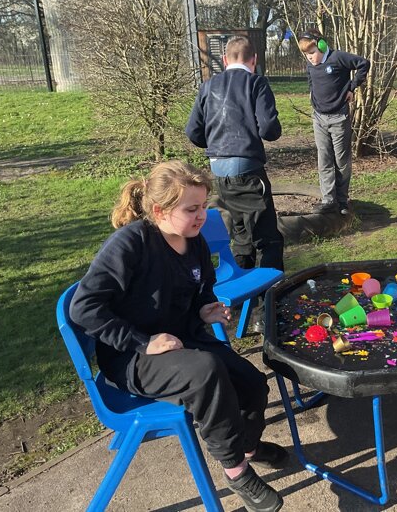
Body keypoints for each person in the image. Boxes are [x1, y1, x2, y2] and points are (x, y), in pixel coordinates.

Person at [69, 161, 287, 512]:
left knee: (251, 382)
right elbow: (83, 308)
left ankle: (248, 446)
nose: (202, 216)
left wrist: (204, 310)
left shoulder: (193, 241)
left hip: (179, 338)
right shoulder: (131, 243)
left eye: (203, 206)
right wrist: (143, 342)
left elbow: (200, 289)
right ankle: (236, 471)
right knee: (206, 372)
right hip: (132, 356)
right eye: (191, 209)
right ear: (160, 211)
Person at [186, 35, 284, 272]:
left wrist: (215, 142)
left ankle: (243, 290)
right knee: (269, 240)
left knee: (241, 237)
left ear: (224, 59)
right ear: (254, 60)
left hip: (220, 171)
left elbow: (193, 131)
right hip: (248, 170)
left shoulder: (208, 86)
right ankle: (271, 294)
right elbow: (269, 129)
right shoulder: (256, 83)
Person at [298, 30, 370, 216]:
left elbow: (364, 64)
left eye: (312, 53)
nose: (310, 58)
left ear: (321, 46)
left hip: (339, 118)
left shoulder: (338, 58)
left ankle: (342, 200)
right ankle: (328, 200)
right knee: (324, 159)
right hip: (319, 118)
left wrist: (352, 87)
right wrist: (313, 99)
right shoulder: (310, 65)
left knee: (341, 161)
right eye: (307, 55)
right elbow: (311, 81)